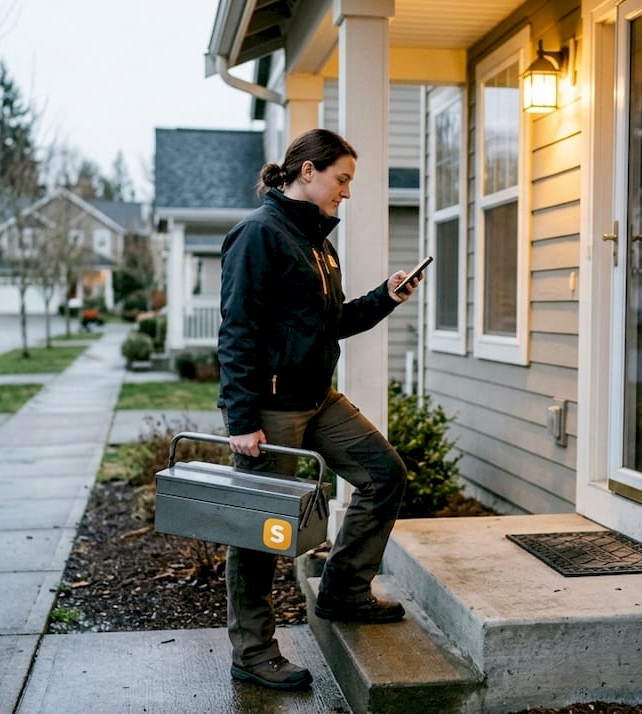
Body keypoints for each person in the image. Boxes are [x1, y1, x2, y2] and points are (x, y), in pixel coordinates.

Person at [217, 128, 422, 691]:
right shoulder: (259, 234)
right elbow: (237, 331)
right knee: (261, 529)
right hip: (272, 406)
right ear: (308, 171)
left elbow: (331, 324)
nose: (346, 192)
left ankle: (343, 591)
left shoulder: (318, 244)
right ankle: (253, 651)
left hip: (318, 398)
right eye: (342, 179)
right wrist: (242, 420)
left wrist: (385, 297)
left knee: (384, 475)